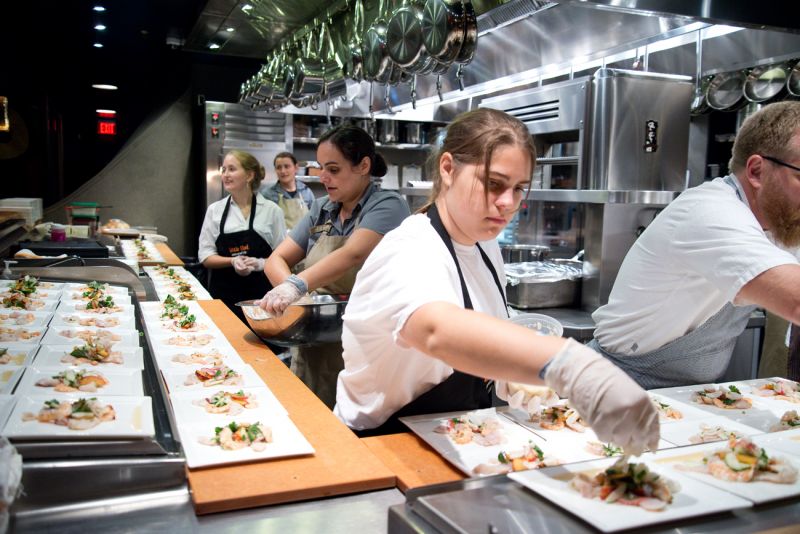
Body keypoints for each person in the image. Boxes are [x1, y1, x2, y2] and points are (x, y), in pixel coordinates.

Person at [333, 108, 659, 455]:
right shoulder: (410, 249)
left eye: (518, 189)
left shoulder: (483, 242)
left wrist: (516, 382)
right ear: (448, 169)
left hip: (450, 438)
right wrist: (571, 365)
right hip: (381, 448)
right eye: (493, 184)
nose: (507, 203)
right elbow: (435, 330)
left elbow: (483, 330)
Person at [588, 101, 800, 389]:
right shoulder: (711, 212)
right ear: (757, 171)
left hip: (685, 396)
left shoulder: (776, 224)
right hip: (614, 386)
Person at [260, 124, 411, 408]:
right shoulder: (322, 209)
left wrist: (297, 283)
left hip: (365, 346)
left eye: (333, 169)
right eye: (320, 168)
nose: (324, 177)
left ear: (363, 165)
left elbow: (352, 254)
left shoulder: (388, 206)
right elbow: (275, 260)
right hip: (317, 339)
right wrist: (298, 297)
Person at [199, 150, 286, 322]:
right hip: (224, 297)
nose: (225, 175)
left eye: (232, 169)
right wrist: (232, 261)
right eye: (223, 170)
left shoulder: (271, 210)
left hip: (263, 300)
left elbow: (283, 257)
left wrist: (260, 263)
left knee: (262, 346)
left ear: (249, 175)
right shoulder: (214, 211)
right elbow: (205, 256)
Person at [260, 152, 316, 229]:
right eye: (279, 167)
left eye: (287, 166)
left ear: (296, 168)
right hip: (279, 240)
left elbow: (315, 219)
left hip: (304, 240)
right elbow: (262, 224)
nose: (283, 171)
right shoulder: (267, 194)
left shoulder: (306, 192)